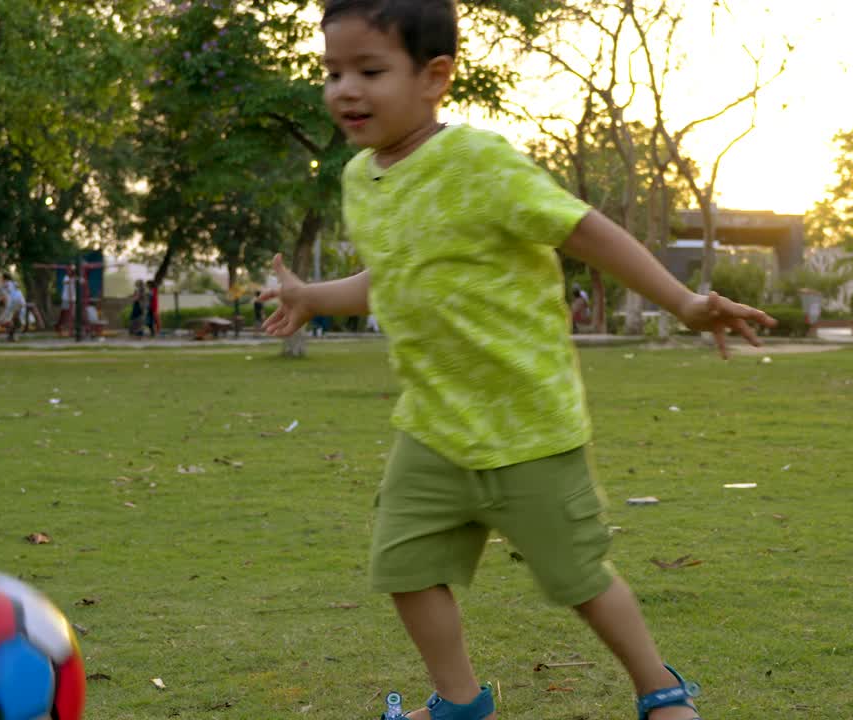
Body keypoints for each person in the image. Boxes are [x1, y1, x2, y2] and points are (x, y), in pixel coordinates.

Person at [261, 2, 774, 718]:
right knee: (404, 567)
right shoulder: (359, 179)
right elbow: (392, 274)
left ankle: (661, 692)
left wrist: (683, 303)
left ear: (434, 76)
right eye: (333, 72)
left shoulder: (479, 162)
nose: (346, 89)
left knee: (578, 577)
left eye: (370, 71)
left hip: (528, 427)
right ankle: (460, 702)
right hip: (433, 430)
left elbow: (586, 231)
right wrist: (312, 296)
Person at [0, 272, 26, 342]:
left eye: (1, 278)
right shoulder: (15, 283)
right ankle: (13, 336)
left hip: (12, 303)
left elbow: (4, 297)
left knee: (3, 321)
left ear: (4, 278)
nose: (0, 279)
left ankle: (12, 335)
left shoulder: (4, 285)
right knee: (15, 320)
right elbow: (17, 292)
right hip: (21, 302)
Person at [56, 268, 76, 336]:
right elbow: (66, 282)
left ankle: (71, 331)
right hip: (66, 299)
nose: (69, 271)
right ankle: (59, 327)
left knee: (72, 315)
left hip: (73, 299)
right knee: (64, 314)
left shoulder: (75, 278)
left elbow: (83, 281)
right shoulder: (66, 277)